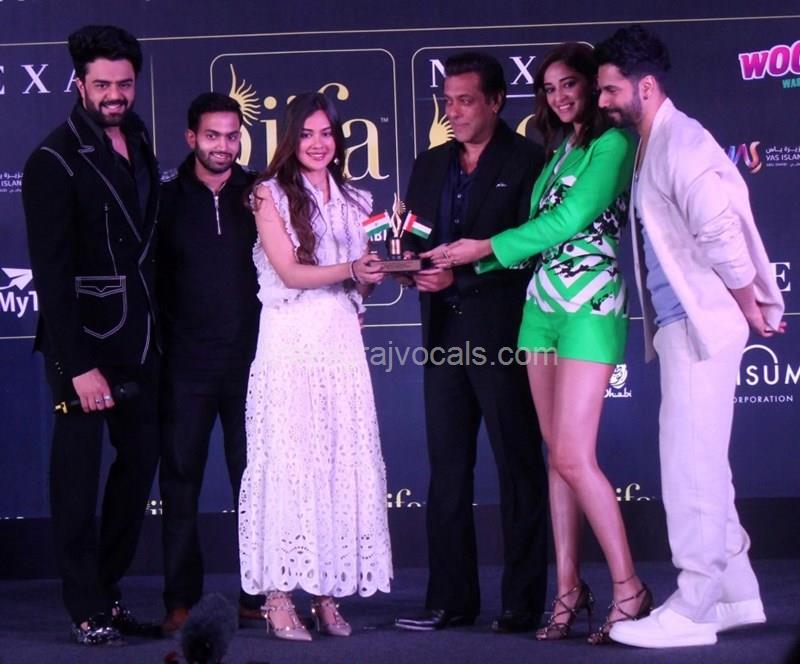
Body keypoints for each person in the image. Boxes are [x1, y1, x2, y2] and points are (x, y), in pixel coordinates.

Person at [434, 42, 650, 644]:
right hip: (540, 308)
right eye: (549, 89)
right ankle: (568, 589)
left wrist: (485, 248)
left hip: (590, 306)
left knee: (575, 457)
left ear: (593, 86)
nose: (558, 97)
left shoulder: (613, 145)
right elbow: (541, 230)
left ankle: (629, 587)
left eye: (569, 85)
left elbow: (568, 221)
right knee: (555, 459)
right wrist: (472, 261)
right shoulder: (557, 152)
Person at [594, 25, 786, 648]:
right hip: (685, 323)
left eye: (611, 89)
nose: (603, 101)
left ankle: (696, 604)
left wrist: (750, 305)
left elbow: (721, 235)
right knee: (703, 464)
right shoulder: (654, 141)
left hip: (702, 323)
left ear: (646, 86)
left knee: (690, 468)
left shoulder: (682, 141)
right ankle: (736, 594)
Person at [393, 52, 549, 634]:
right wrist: (411, 270)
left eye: (465, 101)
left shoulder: (530, 160)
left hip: (503, 336)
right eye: (447, 101)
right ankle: (450, 600)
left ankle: (522, 603)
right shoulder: (429, 164)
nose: (453, 112)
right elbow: (415, 242)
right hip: (441, 336)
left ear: (496, 102)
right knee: (447, 471)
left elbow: (533, 249)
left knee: (518, 467)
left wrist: (458, 277)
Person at [21, 25, 160, 645]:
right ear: (79, 83)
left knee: (140, 464)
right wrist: (78, 365)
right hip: (81, 345)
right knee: (76, 479)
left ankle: (107, 590)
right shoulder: (52, 160)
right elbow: (50, 275)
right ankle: (84, 608)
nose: (114, 95)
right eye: (101, 84)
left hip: (141, 338)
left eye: (123, 83)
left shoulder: (140, 137)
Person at [237, 92, 392, 642]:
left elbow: (358, 285)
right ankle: (279, 596)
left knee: (335, 462)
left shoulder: (355, 199)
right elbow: (290, 272)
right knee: (290, 462)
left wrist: (371, 275)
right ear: (290, 139)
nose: (317, 143)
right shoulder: (268, 194)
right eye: (306, 134)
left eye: (326, 133)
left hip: (340, 344)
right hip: (290, 343)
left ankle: (326, 592)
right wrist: (352, 267)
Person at [157, 92, 265, 636]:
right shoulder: (165, 200)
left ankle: (256, 595)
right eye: (212, 136)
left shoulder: (261, 194)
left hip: (253, 363)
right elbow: (152, 284)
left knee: (255, 484)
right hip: (186, 367)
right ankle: (180, 600)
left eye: (231, 135)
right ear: (191, 138)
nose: (223, 146)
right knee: (180, 484)